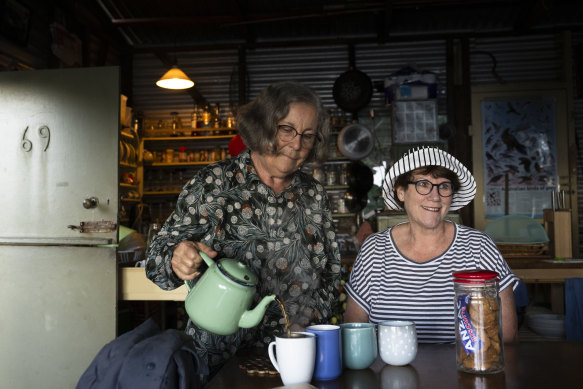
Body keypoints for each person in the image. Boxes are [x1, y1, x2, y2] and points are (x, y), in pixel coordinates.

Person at [145, 81, 342, 377]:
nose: (297, 143)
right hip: (219, 361)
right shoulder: (214, 184)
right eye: (286, 129)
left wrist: (312, 323)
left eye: (308, 135)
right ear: (262, 127)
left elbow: (330, 272)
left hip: (294, 357)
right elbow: (156, 264)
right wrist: (177, 257)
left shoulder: (313, 194)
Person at [343, 146, 519, 344]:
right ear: (401, 192)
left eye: (444, 186)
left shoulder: (479, 247)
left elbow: (507, 335)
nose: (435, 196)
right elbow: (354, 333)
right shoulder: (375, 250)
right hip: (388, 371)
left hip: (462, 371)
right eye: (423, 184)